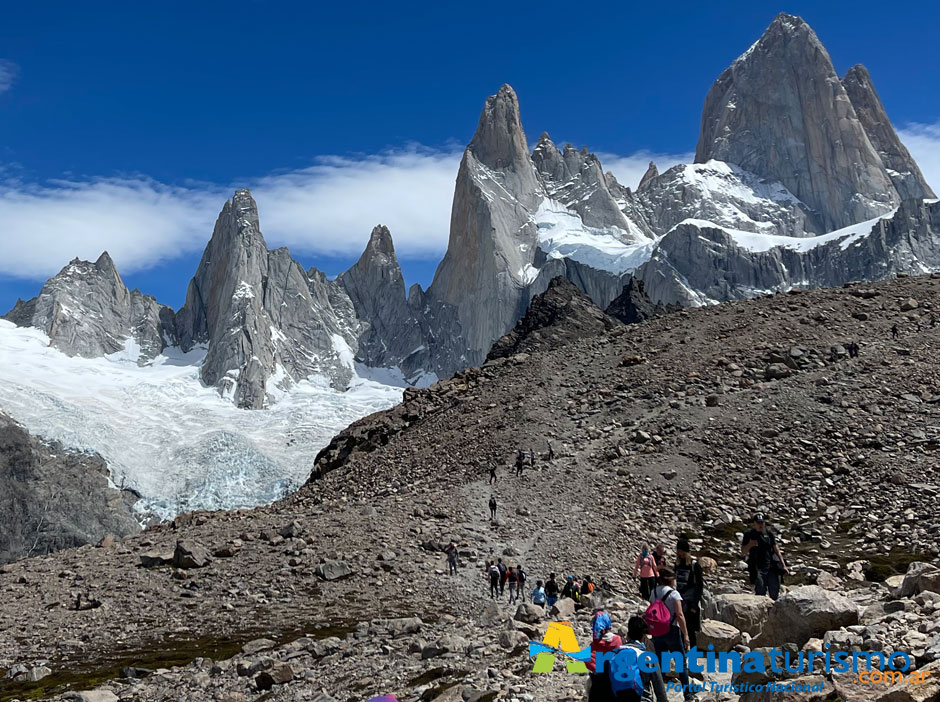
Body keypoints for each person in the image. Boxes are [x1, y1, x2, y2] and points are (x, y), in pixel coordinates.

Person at [649, 567, 693, 702]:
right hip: (672, 630)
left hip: (657, 631)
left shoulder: (654, 592)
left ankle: (660, 696)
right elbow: (679, 615)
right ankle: (688, 696)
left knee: (661, 664)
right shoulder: (674, 594)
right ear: (670, 580)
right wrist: (686, 635)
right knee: (681, 664)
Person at [620, 615, 669, 702]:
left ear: (628, 636)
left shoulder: (616, 654)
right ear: (643, 637)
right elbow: (659, 689)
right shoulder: (648, 658)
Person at [742, 513, 789, 600]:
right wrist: (750, 544)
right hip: (757, 567)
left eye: (762, 522)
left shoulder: (769, 534)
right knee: (760, 590)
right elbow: (743, 551)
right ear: (754, 523)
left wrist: (784, 565)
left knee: (775, 589)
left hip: (771, 566)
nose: (760, 525)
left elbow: (777, 550)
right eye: (758, 523)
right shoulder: (749, 534)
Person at [674, 538, 704, 649]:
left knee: (691, 631)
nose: (680, 554)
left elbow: (700, 586)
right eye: (678, 551)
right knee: (680, 629)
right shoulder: (677, 564)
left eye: (682, 551)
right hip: (679, 601)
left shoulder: (694, 565)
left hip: (691, 603)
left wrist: (694, 605)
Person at [587, 611, 622, 701]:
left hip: (597, 682)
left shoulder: (594, 644)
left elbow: (588, 660)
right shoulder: (617, 640)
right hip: (613, 682)